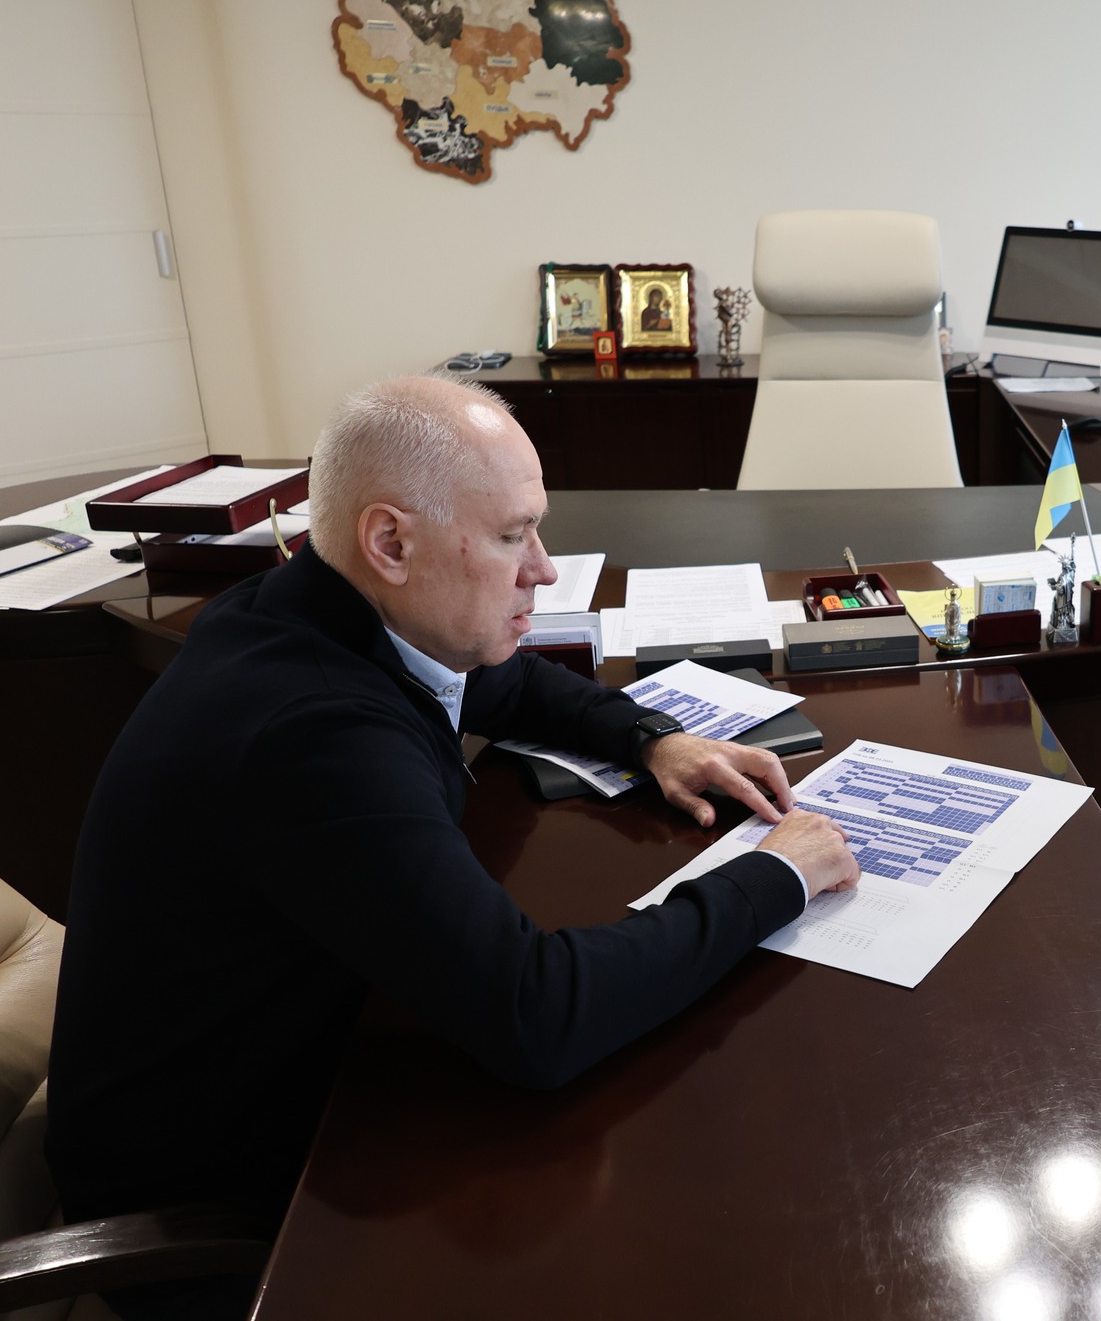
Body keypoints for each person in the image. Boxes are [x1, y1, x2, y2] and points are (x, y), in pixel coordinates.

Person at [46, 376, 859, 1318]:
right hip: (221, 1218)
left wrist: (651, 739)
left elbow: (502, 683)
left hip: (295, 1067)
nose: (543, 569)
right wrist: (775, 876)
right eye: (514, 535)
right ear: (391, 542)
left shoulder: (309, 608)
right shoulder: (314, 736)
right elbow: (536, 1014)